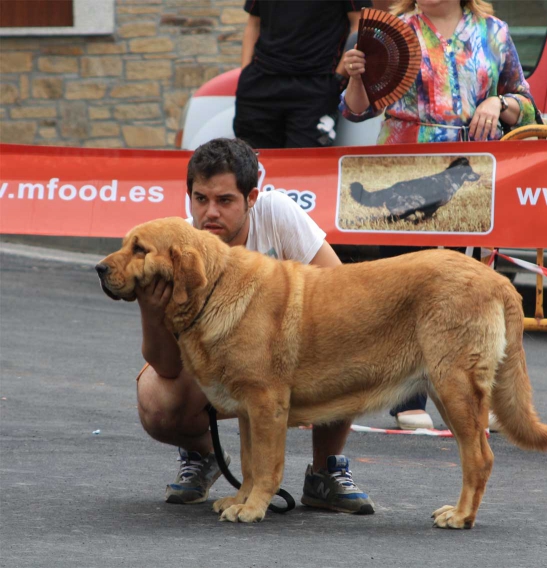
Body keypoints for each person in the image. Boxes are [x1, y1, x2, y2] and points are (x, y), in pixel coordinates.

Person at [135, 138, 374, 515]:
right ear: (189, 197)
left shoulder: (277, 213)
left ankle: (324, 470)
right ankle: (208, 456)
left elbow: (342, 295)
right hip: (222, 375)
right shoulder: (176, 245)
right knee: (155, 399)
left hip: (290, 360)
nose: (210, 213)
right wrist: (151, 311)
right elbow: (167, 367)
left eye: (225, 201)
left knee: (344, 339)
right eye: (200, 199)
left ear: (251, 198)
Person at [340, 0, 537, 428]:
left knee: (469, 288)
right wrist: (357, 76)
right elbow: (357, 109)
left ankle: (471, 395)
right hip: (405, 169)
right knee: (407, 285)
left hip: (468, 172)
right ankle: (408, 398)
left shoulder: (495, 33)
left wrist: (498, 102)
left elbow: (528, 104)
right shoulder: (392, 32)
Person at [233, 0, 372, 149]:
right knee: (254, 166)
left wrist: (338, 79)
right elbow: (254, 22)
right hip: (260, 84)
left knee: (305, 166)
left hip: (315, 87)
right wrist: (245, 72)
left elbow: (360, 24)